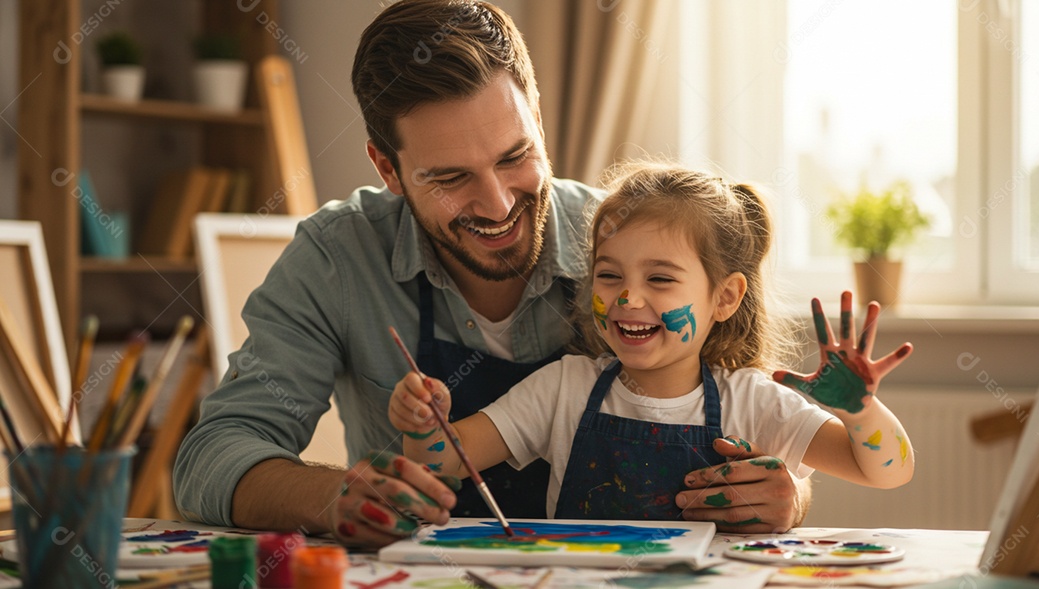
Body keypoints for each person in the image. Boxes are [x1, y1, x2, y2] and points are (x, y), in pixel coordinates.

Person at [174, 0, 815, 548]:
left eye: (515, 158)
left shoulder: (624, 248)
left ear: (539, 120)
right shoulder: (337, 258)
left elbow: (742, 409)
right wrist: (333, 496)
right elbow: (211, 456)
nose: (499, 205)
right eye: (450, 178)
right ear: (387, 168)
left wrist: (786, 495)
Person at [390, 163, 915, 524]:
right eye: (609, 274)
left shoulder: (752, 400)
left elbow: (887, 471)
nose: (628, 297)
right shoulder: (564, 387)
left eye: (660, 280)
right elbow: (443, 462)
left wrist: (861, 412)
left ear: (725, 297)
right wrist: (421, 424)